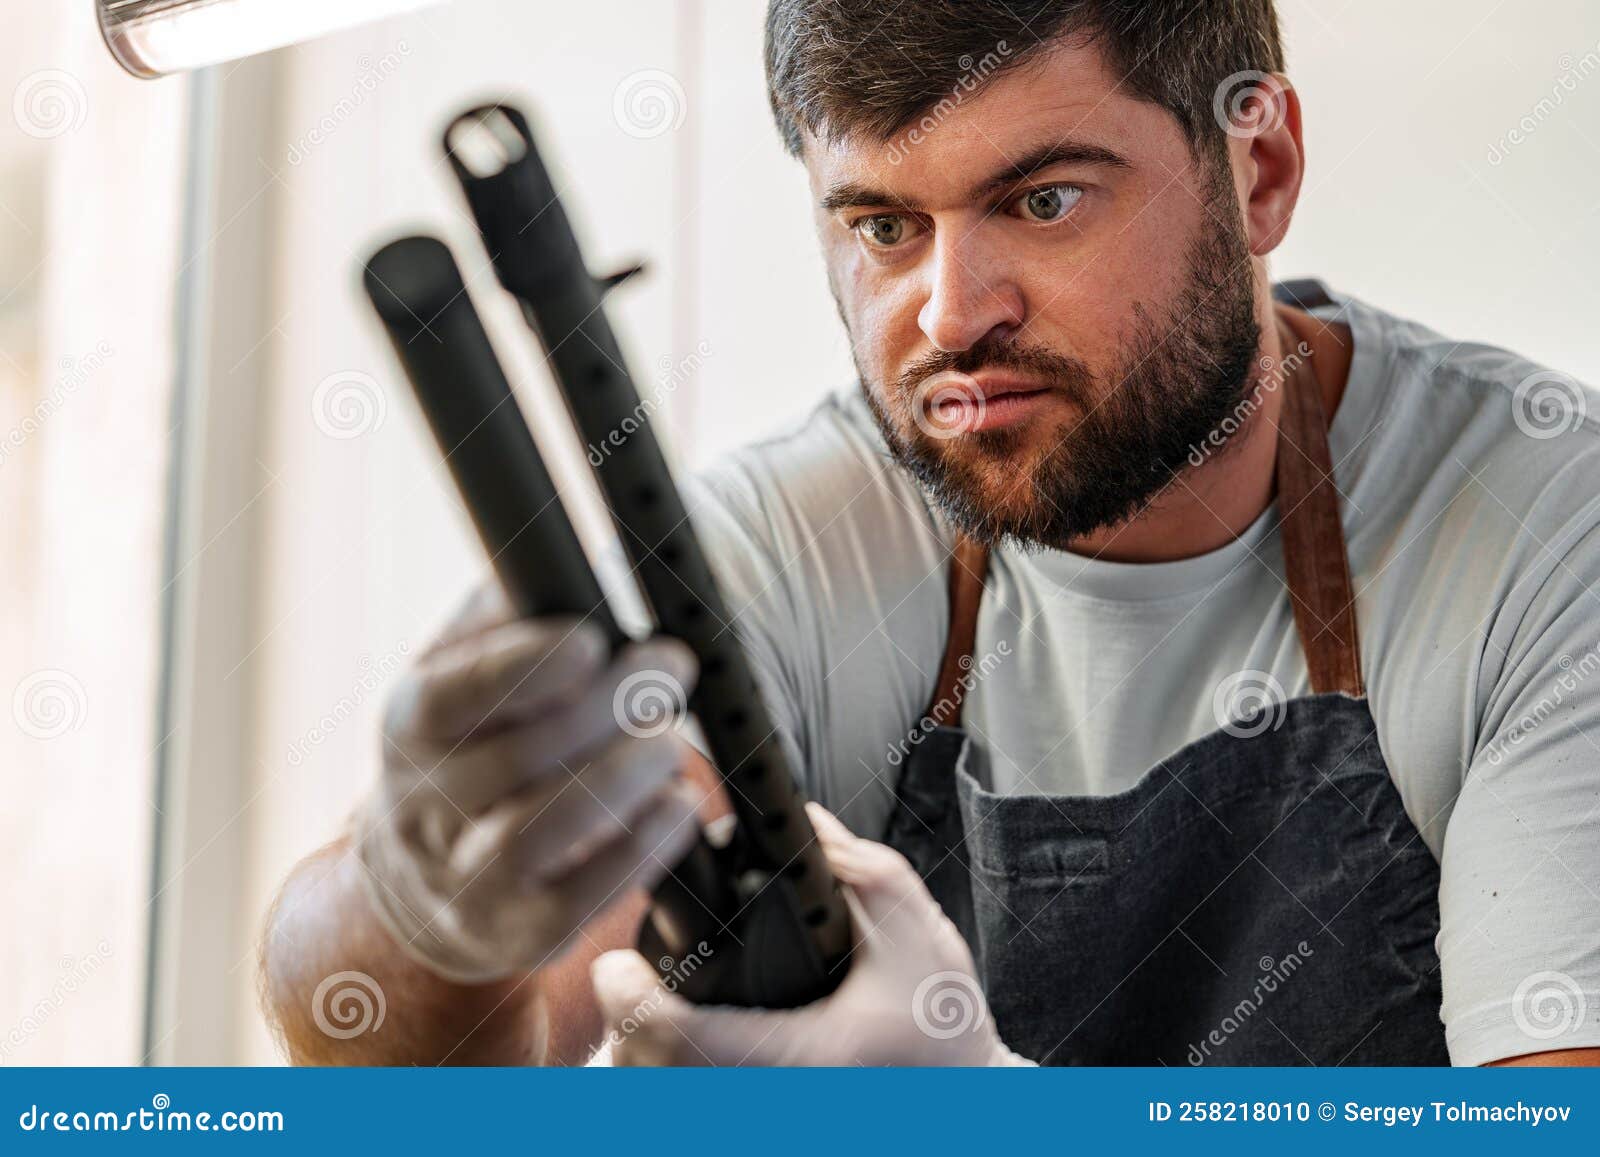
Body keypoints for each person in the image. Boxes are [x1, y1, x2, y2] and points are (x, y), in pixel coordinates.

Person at [260, 0, 1600, 1067]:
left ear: (1260, 168)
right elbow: (419, 1043)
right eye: (887, 226)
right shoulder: (796, 540)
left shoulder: (1542, 524)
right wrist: (416, 903)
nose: (953, 314)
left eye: (1044, 200)